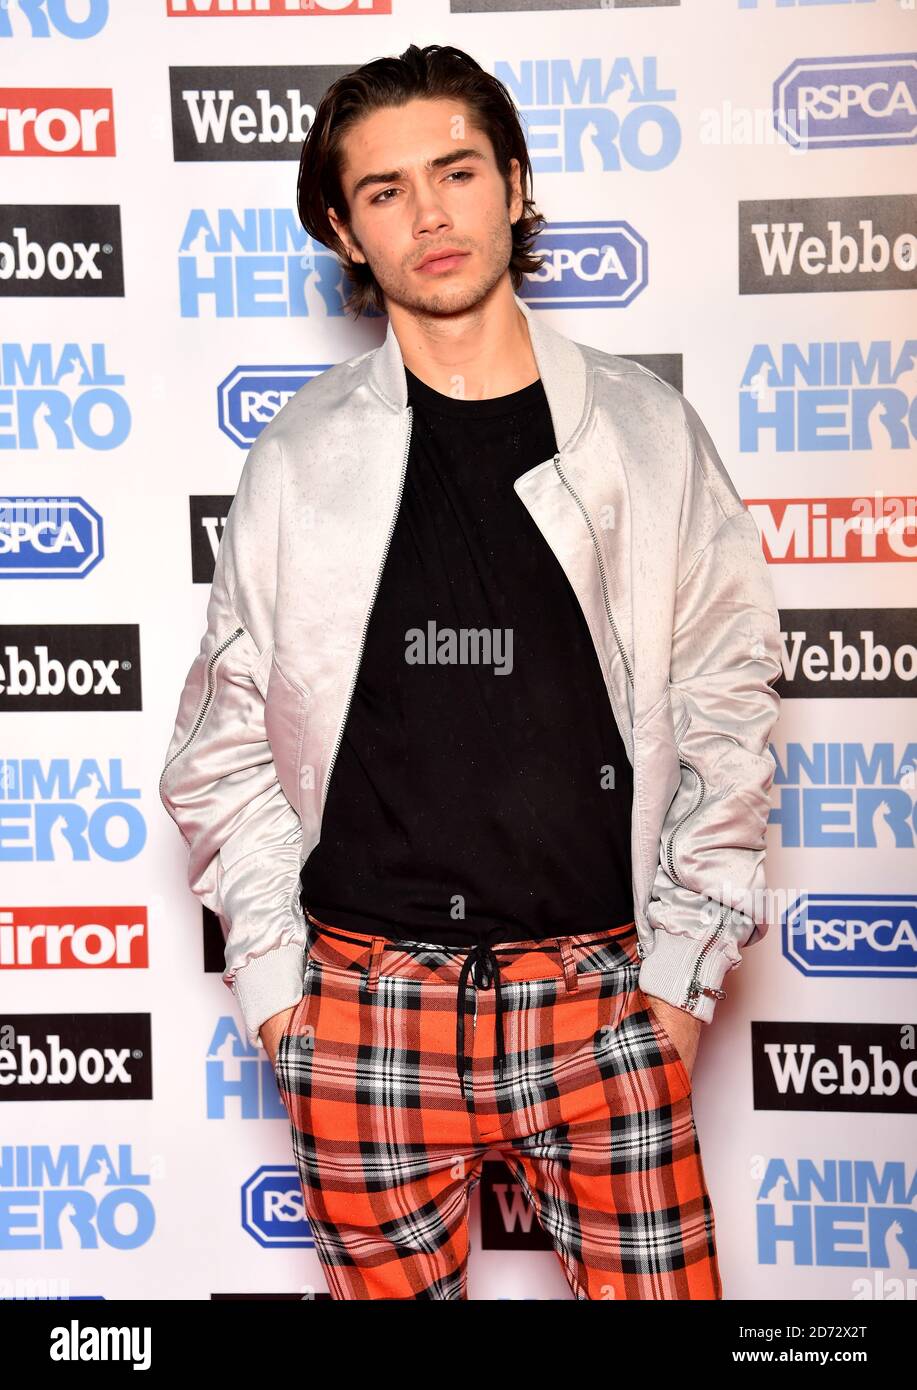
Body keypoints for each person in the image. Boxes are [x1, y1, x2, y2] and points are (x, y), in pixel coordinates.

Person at [159, 43, 783, 1300]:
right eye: (384, 190)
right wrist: (285, 997)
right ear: (343, 228)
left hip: (603, 1003)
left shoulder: (646, 434)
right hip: (365, 1011)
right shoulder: (297, 457)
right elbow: (223, 741)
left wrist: (675, 983)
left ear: (514, 182)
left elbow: (728, 702)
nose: (429, 213)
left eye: (454, 171)